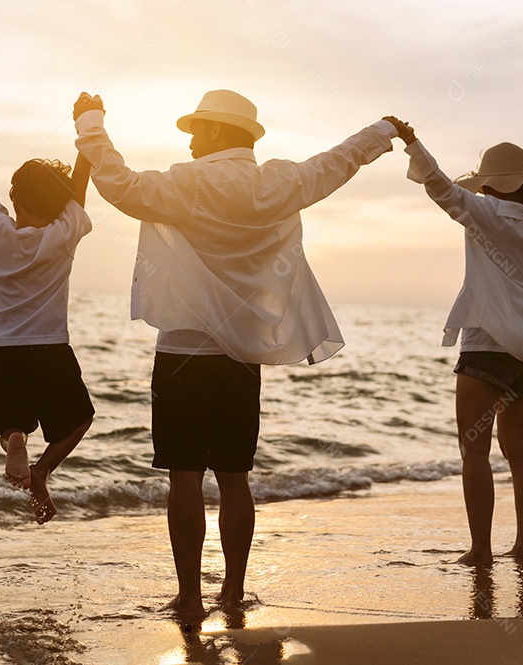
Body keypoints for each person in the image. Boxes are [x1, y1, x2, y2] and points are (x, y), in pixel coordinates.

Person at [72, 89, 400, 616]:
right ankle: (232, 589)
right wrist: (380, 132)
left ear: (220, 132)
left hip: (182, 353)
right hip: (241, 357)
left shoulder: (188, 182)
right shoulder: (279, 182)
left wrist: (91, 122)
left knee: (184, 476)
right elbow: (336, 163)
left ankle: (189, 596)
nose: (193, 139)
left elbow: (120, 184)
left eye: (198, 129)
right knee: (234, 477)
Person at [385, 117, 523, 566]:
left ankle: (480, 550)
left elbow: (439, 186)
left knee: (474, 450)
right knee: (519, 451)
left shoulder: (485, 213)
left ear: (492, 187)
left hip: (484, 346)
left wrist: (412, 142)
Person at [0, 145, 95, 524]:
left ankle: (15, 439)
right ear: (62, 204)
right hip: (52, 348)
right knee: (79, 419)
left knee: (8, 423)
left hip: (6, 350)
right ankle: (43, 468)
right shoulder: (63, 235)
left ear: (14, 198)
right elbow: (79, 195)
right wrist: (83, 155)